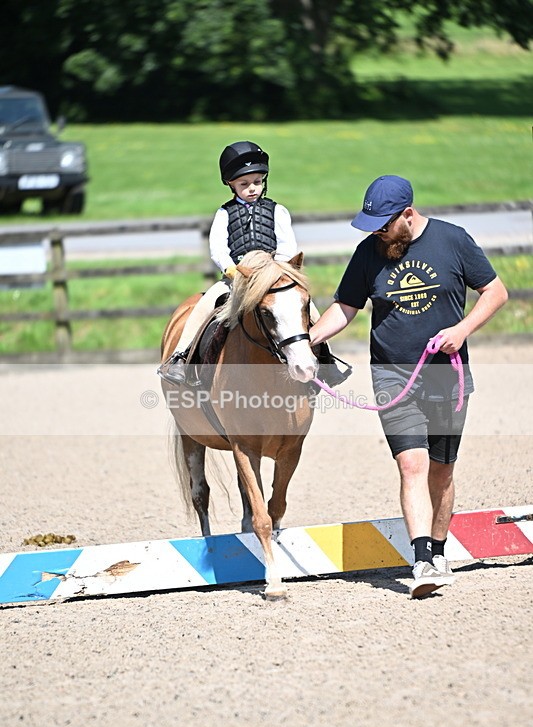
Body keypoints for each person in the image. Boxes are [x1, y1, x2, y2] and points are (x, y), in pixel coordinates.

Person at [309, 175, 508, 599]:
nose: (378, 233)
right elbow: (346, 307)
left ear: (408, 214)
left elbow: (496, 291)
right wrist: (308, 340)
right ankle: (420, 561)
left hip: (447, 375)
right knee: (412, 465)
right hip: (391, 375)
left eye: (384, 224)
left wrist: (463, 328)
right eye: (373, 226)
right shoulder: (368, 253)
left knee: (442, 469)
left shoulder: (453, 241)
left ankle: (438, 550)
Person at [158, 140, 347, 386]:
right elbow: (218, 247)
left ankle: (326, 359)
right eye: (244, 184)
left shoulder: (277, 211)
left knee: (306, 307)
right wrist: (230, 268)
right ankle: (181, 358)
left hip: (273, 277)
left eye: (257, 182)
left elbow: (287, 245)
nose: (252, 189)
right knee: (206, 302)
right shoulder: (224, 213)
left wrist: (275, 271)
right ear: (231, 184)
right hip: (238, 277)